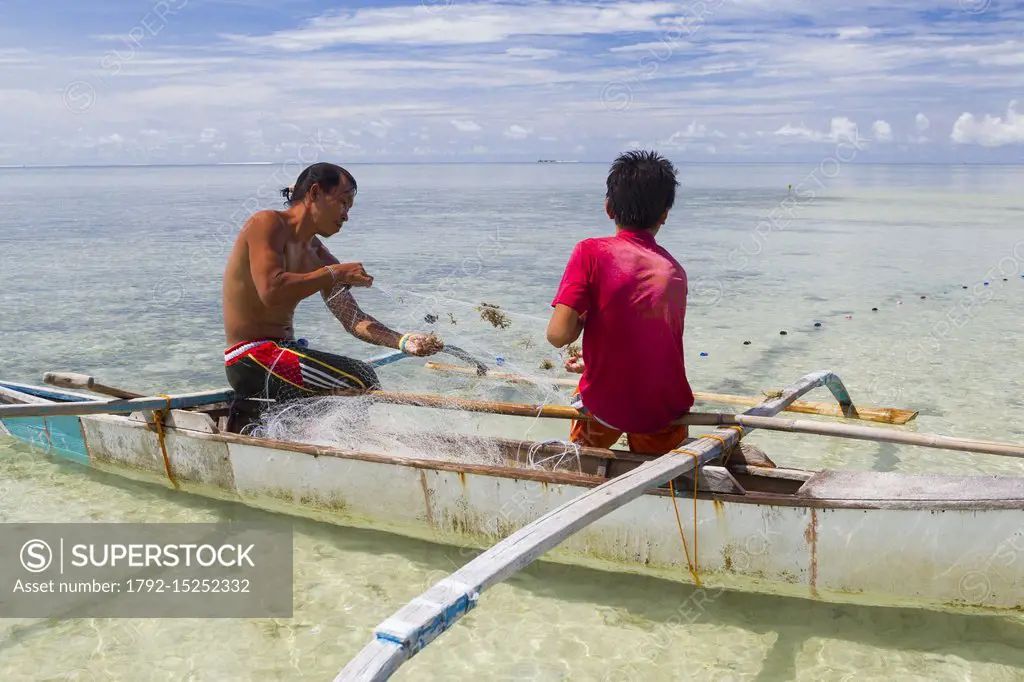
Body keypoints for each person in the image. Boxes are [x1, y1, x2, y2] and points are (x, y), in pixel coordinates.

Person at [222, 162, 443, 401]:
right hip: (251, 359)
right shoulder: (267, 223)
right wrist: (334, 273)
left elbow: (353, 319)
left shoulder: (320, 257)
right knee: (361, 377)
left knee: (355, 379)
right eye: (342, 203)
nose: (346, 216)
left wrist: (402, 340)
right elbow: (271, 290)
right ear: (314, 193)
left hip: (286, 353)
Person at [546, 150, 694, 455]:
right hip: (664, 412)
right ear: (665, 214)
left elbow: (558, 336)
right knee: (660, 474)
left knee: (585, 450)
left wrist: (583, 321)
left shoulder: (591, 252)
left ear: (609, 208)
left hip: (606, 409)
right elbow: (647, 341)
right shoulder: (675, 271)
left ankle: (585, 472)